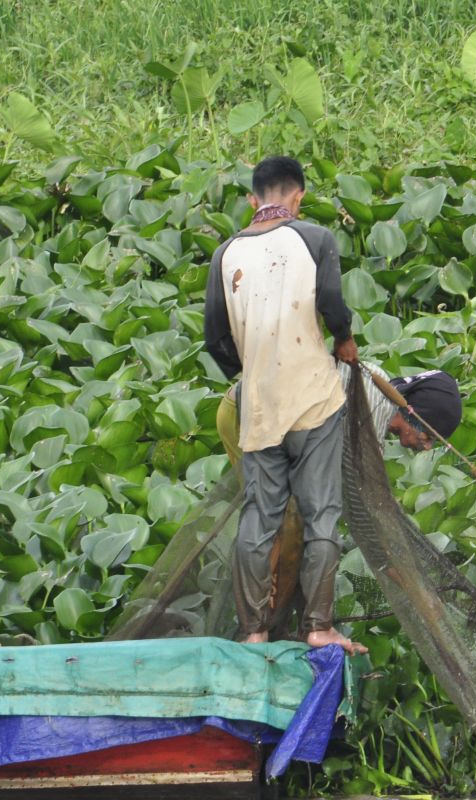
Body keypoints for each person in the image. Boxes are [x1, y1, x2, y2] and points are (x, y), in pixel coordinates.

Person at [203, 156, 362, 653]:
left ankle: (254, 630)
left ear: (254, 201)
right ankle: (318, 626)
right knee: (321, 515)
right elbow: (333, 304)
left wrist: (251, 373)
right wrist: (344, 340)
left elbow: (215, 339)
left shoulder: (225, 253)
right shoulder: (315, 238)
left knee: (259, 517)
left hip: (259, 405)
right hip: (314, 398)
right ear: (299, 197)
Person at [215, 363, 463, 641]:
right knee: (285, 522)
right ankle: (258, 633)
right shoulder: (367, 415)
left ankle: (279, 627)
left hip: (283, 429)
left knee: (302, 520)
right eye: (428, 437)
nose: (426, 447)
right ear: (412, 414)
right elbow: (361, 512)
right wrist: (411, 585)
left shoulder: (379, 394)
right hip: (246, 414)